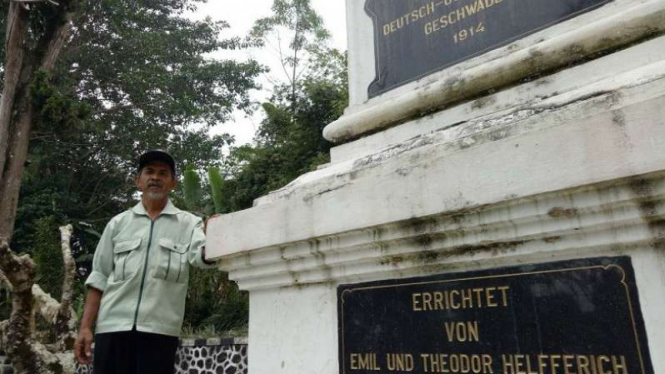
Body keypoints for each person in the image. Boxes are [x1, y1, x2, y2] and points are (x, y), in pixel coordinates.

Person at [74, 150, 216, 374]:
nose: (155, 177)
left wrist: (216, 239)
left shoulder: (189, 224)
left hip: (159, 332)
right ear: (138, 181)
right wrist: (85, 328)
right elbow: (99, 277)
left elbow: (201, 256)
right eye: (149, 171)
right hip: (112, 329)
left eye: (163, 173)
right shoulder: (117, 224)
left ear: (173, 183)